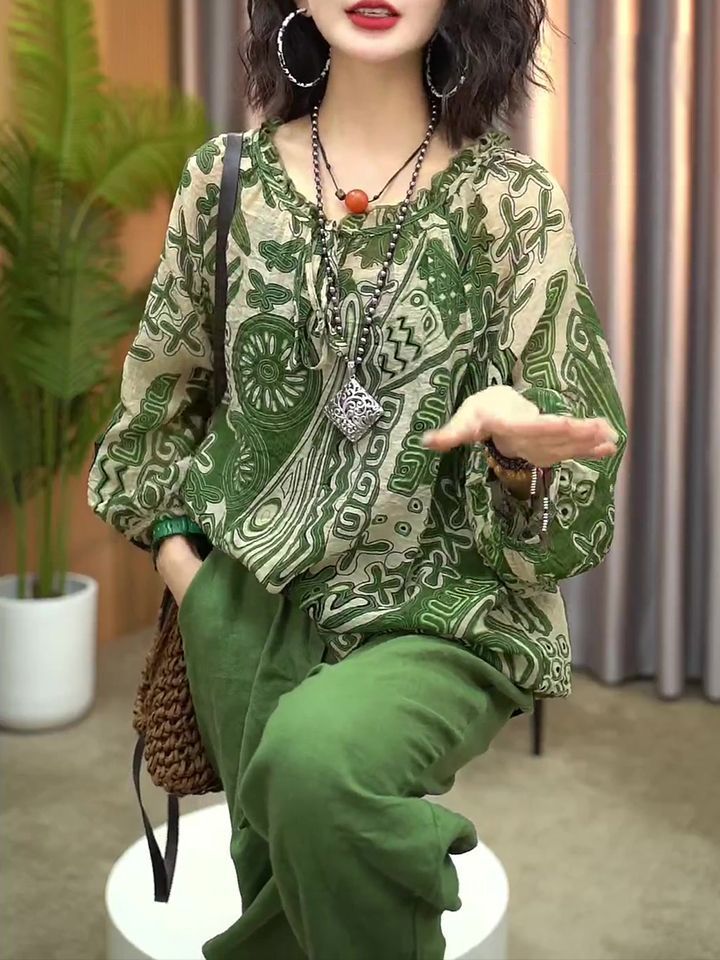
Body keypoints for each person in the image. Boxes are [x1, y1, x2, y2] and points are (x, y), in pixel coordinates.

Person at [88, 1, 628, 957]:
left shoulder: (511, 202)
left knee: (319, 766)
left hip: (444, 612)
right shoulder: (224, 183)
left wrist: (514, 457)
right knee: (280, 876)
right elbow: (149, 428)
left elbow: (573, 509)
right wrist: (190, 576)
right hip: (242, 603)